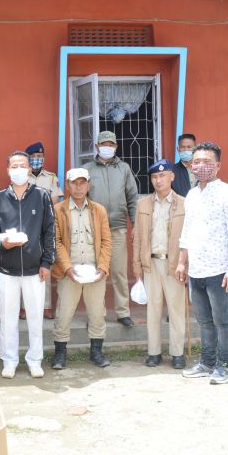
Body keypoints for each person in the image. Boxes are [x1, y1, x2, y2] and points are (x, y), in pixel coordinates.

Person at [176, 142, 228, 385]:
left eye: (207, 162)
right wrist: (182, 262)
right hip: (197, 270)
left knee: (223, 321)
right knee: (204, 321)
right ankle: (207, 362)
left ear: (218, 165)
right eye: (197, 162)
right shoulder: (192, 195)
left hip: (219, 270)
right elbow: (187, 231)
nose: (201, 166)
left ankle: (224, 366)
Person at [0, 151, 55, 379]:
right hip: (8, 269)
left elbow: (50, 231)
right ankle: (9, 360)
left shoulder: (42, 196)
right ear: (7, 170)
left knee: (35, 318)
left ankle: (35, 360)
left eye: (22, 165)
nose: (18, 170)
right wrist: (1, 243)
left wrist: (47, 262)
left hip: (35, 270)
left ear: (29, 169)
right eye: (14, 166)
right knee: (8, 319)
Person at [51, 168, 111, 370]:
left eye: (82, 183)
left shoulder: (98, 210)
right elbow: (57, 242)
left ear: (88, 184)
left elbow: (106, 241)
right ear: (67, 185)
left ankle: (96, 352)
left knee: (97, 313)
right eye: (74, 183)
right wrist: (68, 269)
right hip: (69, 272)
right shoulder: (58, 210)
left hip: (95, 272)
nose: (78, 187)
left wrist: (103, 267)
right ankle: (60, 353)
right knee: (64, 313)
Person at [133, 160, 187, 369]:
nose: (158, 180)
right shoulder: (143, 204)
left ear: (172, 177)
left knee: (176, 310)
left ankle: (177, 353)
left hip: (174, 264)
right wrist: (137, 265)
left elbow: (189, 238)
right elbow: (137, 237)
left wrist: (186, 264)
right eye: (154, 177)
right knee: (153, 310)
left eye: (162, 176)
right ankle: (154, 352)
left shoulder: (184, 203)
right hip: (151, 263)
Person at [82, 131, 139, 328]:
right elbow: (80, 198)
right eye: (103, 144)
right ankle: (96, 314)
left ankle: (123, 312)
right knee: (96, 273)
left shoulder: (124, 168)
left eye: (111, 144)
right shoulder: (87, 169)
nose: (107, 147)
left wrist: (135, 225)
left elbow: (132, 198)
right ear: (97, 147)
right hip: (93, 230)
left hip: (118, 228)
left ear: (116, 147)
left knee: (119, 272)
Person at [26, 141, 62, 319]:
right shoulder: (22, 176)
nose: (36, 160)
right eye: (32, 157)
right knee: (25, 264)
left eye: (39, 156)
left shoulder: (51, 178)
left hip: (45, 226)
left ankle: (46, 306)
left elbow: (54, 200)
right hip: (26, 226)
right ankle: (25, 307)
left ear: (44, 158)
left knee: (45, 264)